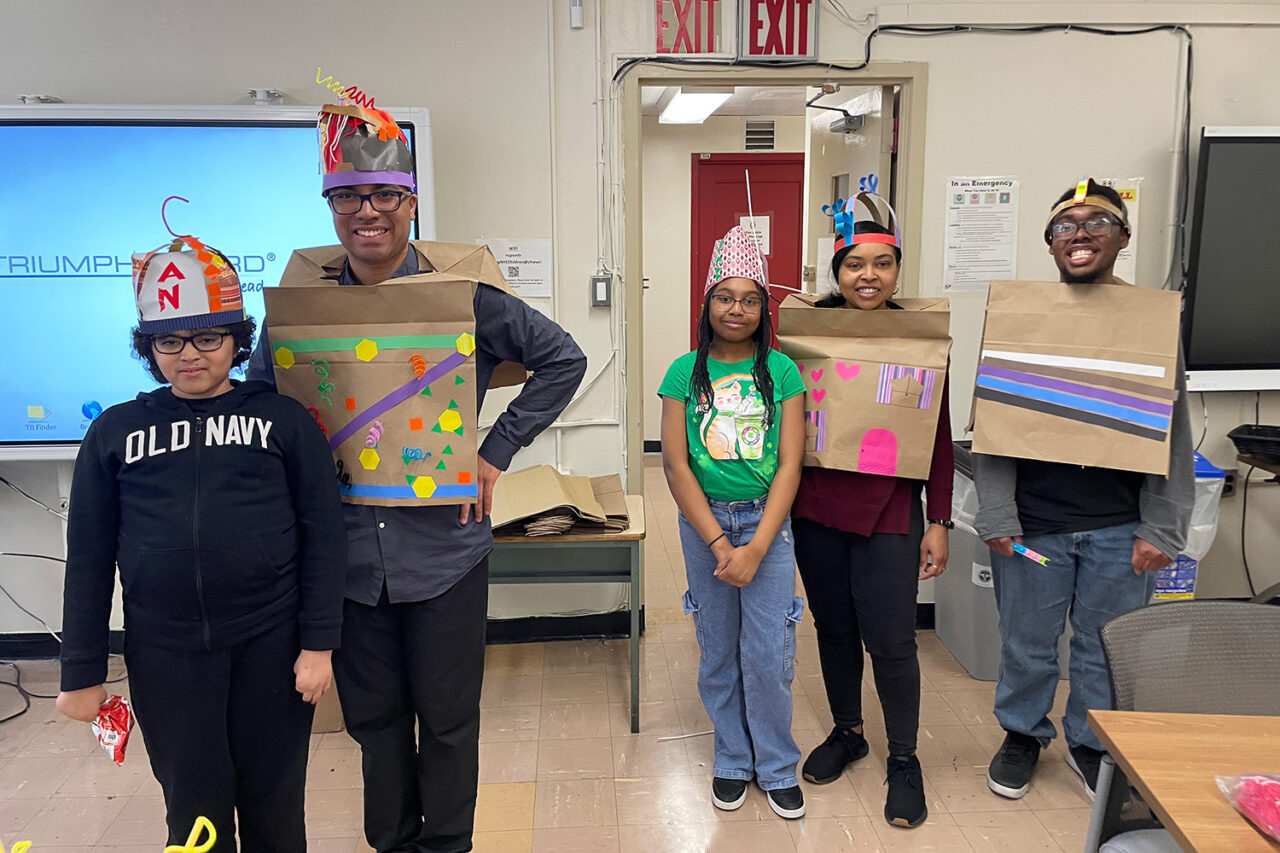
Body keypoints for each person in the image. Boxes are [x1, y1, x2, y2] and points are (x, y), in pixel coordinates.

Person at [249, 102, 587, 853]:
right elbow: (262, 406)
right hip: (345, 558)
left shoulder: (462, 296)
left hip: (445, 549)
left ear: (409, 202)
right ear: (331, 205)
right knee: (373, 722)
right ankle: (392, 845)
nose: (366, 213)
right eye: (348, 197)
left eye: (384, 196)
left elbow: (563, 358)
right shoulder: (299, 310)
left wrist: (494, 451)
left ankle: (447, 846)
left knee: (447, 717)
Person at [57, 233, 347, 851]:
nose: (189, 355)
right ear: (149, 346)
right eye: (169, 340)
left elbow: (324, 537)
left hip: (272, 647)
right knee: (193, 813)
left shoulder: (284, 422)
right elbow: (87, 558)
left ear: (237, 340)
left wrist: (318, 645)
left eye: (208, 338)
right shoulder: (114, 432)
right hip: (164, 656)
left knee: (274, 807)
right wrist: (81, 672)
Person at [976, 179, 1193, 801]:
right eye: (1065, 225)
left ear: (1122, 237)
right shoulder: (1021, 318)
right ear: (1050, 244)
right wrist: (996, 511)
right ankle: (1022, 733)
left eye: (1097, 222)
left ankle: (1092, 739)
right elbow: (992, 421)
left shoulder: (1151, 322)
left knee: (1105, 645)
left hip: (1120, 532)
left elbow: (1172, 434)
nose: (1080, 234)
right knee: (1028, 639)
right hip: (1034, 531)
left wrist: (1164, 528)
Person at [790, 195, 953, 829]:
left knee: (891, 639)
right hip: (816, 508)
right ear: (837, 272)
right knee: (832, 629)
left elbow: (936, 436)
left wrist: (938, 519)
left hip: (891, 513)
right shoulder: (808, 336)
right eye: (855, 263)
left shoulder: (922, 338)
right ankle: (849, 730)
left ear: (896, 271)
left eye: (882, 264)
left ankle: (905, 759)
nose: (868, 276)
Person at [658, 225, 808, 819]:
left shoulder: (782, 371)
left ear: (763, 308)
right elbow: (674, 464)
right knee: (718, 649)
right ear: (706, 305)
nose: (737, 309)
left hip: (768, 526)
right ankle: (732, 759)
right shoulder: (682, 372)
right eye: (725, 297)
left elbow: (791, 464)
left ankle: (775, 765)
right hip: (705, 528)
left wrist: (756, 546)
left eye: (749, 299)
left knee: (768, 653)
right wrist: (721, 542)